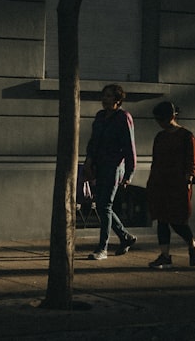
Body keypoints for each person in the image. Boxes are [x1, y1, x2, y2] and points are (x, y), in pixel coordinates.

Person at [82, 83, 138, 260]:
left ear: (117, 99)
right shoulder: (100, 117)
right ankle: (125, 236)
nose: (104, 99)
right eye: (103, 95)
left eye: (108, 96)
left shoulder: (123, 117)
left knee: (105, 205)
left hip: (113, 166)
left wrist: (129, 173)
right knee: (100, 204)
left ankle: (102, 248)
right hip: (99, 165)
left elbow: (130, 146)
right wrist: (89, 161)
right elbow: (93, 142)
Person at [145, 100, 195, 269]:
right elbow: (156, 161)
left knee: (178, 220)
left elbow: (192, 160)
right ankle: (165, 255)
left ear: (171, 116)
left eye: (162, 119)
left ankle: (192, 244)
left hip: (178, 182)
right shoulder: (160, 137)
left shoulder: (186, 136)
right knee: (162, 219)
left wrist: (188, 179)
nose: (160, 123)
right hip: (161, 182)